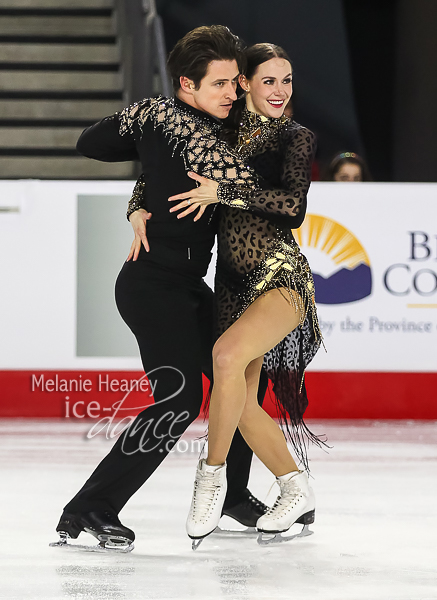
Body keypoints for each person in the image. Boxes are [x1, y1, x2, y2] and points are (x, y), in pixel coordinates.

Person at [51, 26, 270, 552]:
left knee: (240, 374)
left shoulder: (174, 117)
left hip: (189, 284)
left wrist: (140, 193)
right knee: (179, 399)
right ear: (186, 85)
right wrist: (156, 166)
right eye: (218, 84)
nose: (231, 93)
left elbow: (123, 150)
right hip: (152, 284)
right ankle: (90, 507)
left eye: (233, 84)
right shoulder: (177, 121)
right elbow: (259, 187)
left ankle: (232, 493)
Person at [167, 43, 325, 546]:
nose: (280, 91)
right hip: (232, 287)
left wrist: (224, 191)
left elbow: (292, 205)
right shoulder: (218, 133)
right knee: (239, 399)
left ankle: (210, 477)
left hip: (282, 278)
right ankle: (295, 485)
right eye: (270, 80)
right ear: (245, 84)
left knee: (224, 357)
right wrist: (136, 207)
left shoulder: (296, 138)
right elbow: (161, 168)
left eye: (288, 80)